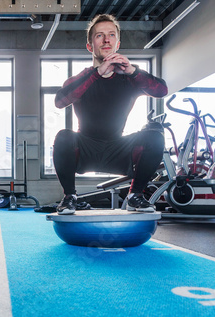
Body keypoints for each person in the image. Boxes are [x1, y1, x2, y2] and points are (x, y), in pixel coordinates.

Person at [53, 14, 168, 215]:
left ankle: (135, 196)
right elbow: (60, 101)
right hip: (85, 148)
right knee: (63, 136)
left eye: (111, 35)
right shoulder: (84, 77)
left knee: (154, 137)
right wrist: (97, 73)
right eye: (99, 35)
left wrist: (132, 71)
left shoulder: (130, 77)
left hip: (118, 148)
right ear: (90, 46)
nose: (106, 40)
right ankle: (70, 196)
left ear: (117, 42)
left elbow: (161, 91)